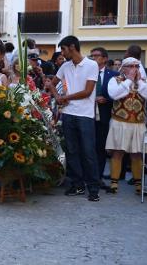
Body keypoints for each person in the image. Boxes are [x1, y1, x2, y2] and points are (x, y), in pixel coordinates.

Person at [45, 36, 100, 201]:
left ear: (72, 47)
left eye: (63, 49)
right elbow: (51, 83)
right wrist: (58, 96)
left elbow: (87, 91)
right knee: (72, 151)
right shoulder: (65, 66)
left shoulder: (91, 64)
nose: (62, 53)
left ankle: (93, 188)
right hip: (68, 114)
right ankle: (77, 185)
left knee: (88, 152)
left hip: (85, 115)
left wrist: (65, 97)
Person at [106, 57, 147, 195]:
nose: (134, 69)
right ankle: (114, 183)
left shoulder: (143, 82)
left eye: (136, 66)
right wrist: (128, 80)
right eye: (130, 66)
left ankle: (139, 185)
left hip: (138, 124)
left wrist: (140, 82)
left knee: (137, 155)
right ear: (123, 68)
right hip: (119, 123)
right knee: (118, 152)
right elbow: (114, 95)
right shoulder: (115, 80)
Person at [89, 47, 118, 190]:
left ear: (105, 58)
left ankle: (98, 178)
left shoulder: (114, 75)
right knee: (88, 148)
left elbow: (119, 96)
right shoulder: (86, 73)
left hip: (105, 116)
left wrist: (106, 99)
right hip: (88, 115)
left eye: (97, 56)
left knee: (101, 149)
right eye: (92, 56)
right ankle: (87, 177)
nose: (93, 58)